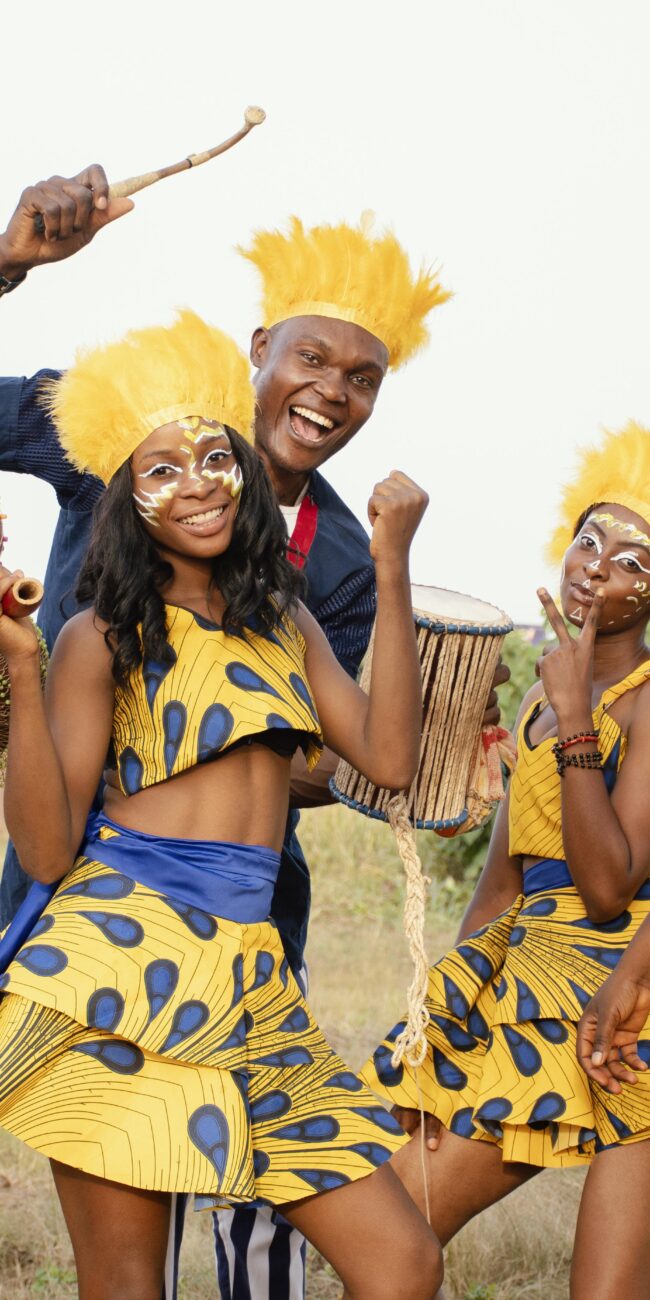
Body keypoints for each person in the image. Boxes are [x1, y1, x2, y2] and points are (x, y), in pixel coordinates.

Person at [0, 172, 457, 1298]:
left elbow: (383, 762)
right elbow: (50, 845)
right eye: (161, 470)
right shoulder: (102, 625)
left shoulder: (301, 600)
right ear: (125, 488)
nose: (199, 482)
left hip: (253, 971)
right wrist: (18, 668)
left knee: (402, 1261)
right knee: (130, 1284)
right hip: (120, 953)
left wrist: (395, 566)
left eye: (214, 460)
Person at [361, 422, 650, 1300]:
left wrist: (577, 723)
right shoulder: (537, 699)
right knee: (391, 1230)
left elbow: (609, 886)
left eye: (633, 560)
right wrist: (450, 1021)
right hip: (527, 981)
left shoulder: (641, 704)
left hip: (626, 1001)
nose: (596, 567)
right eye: (589, 540)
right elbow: (503, 882)